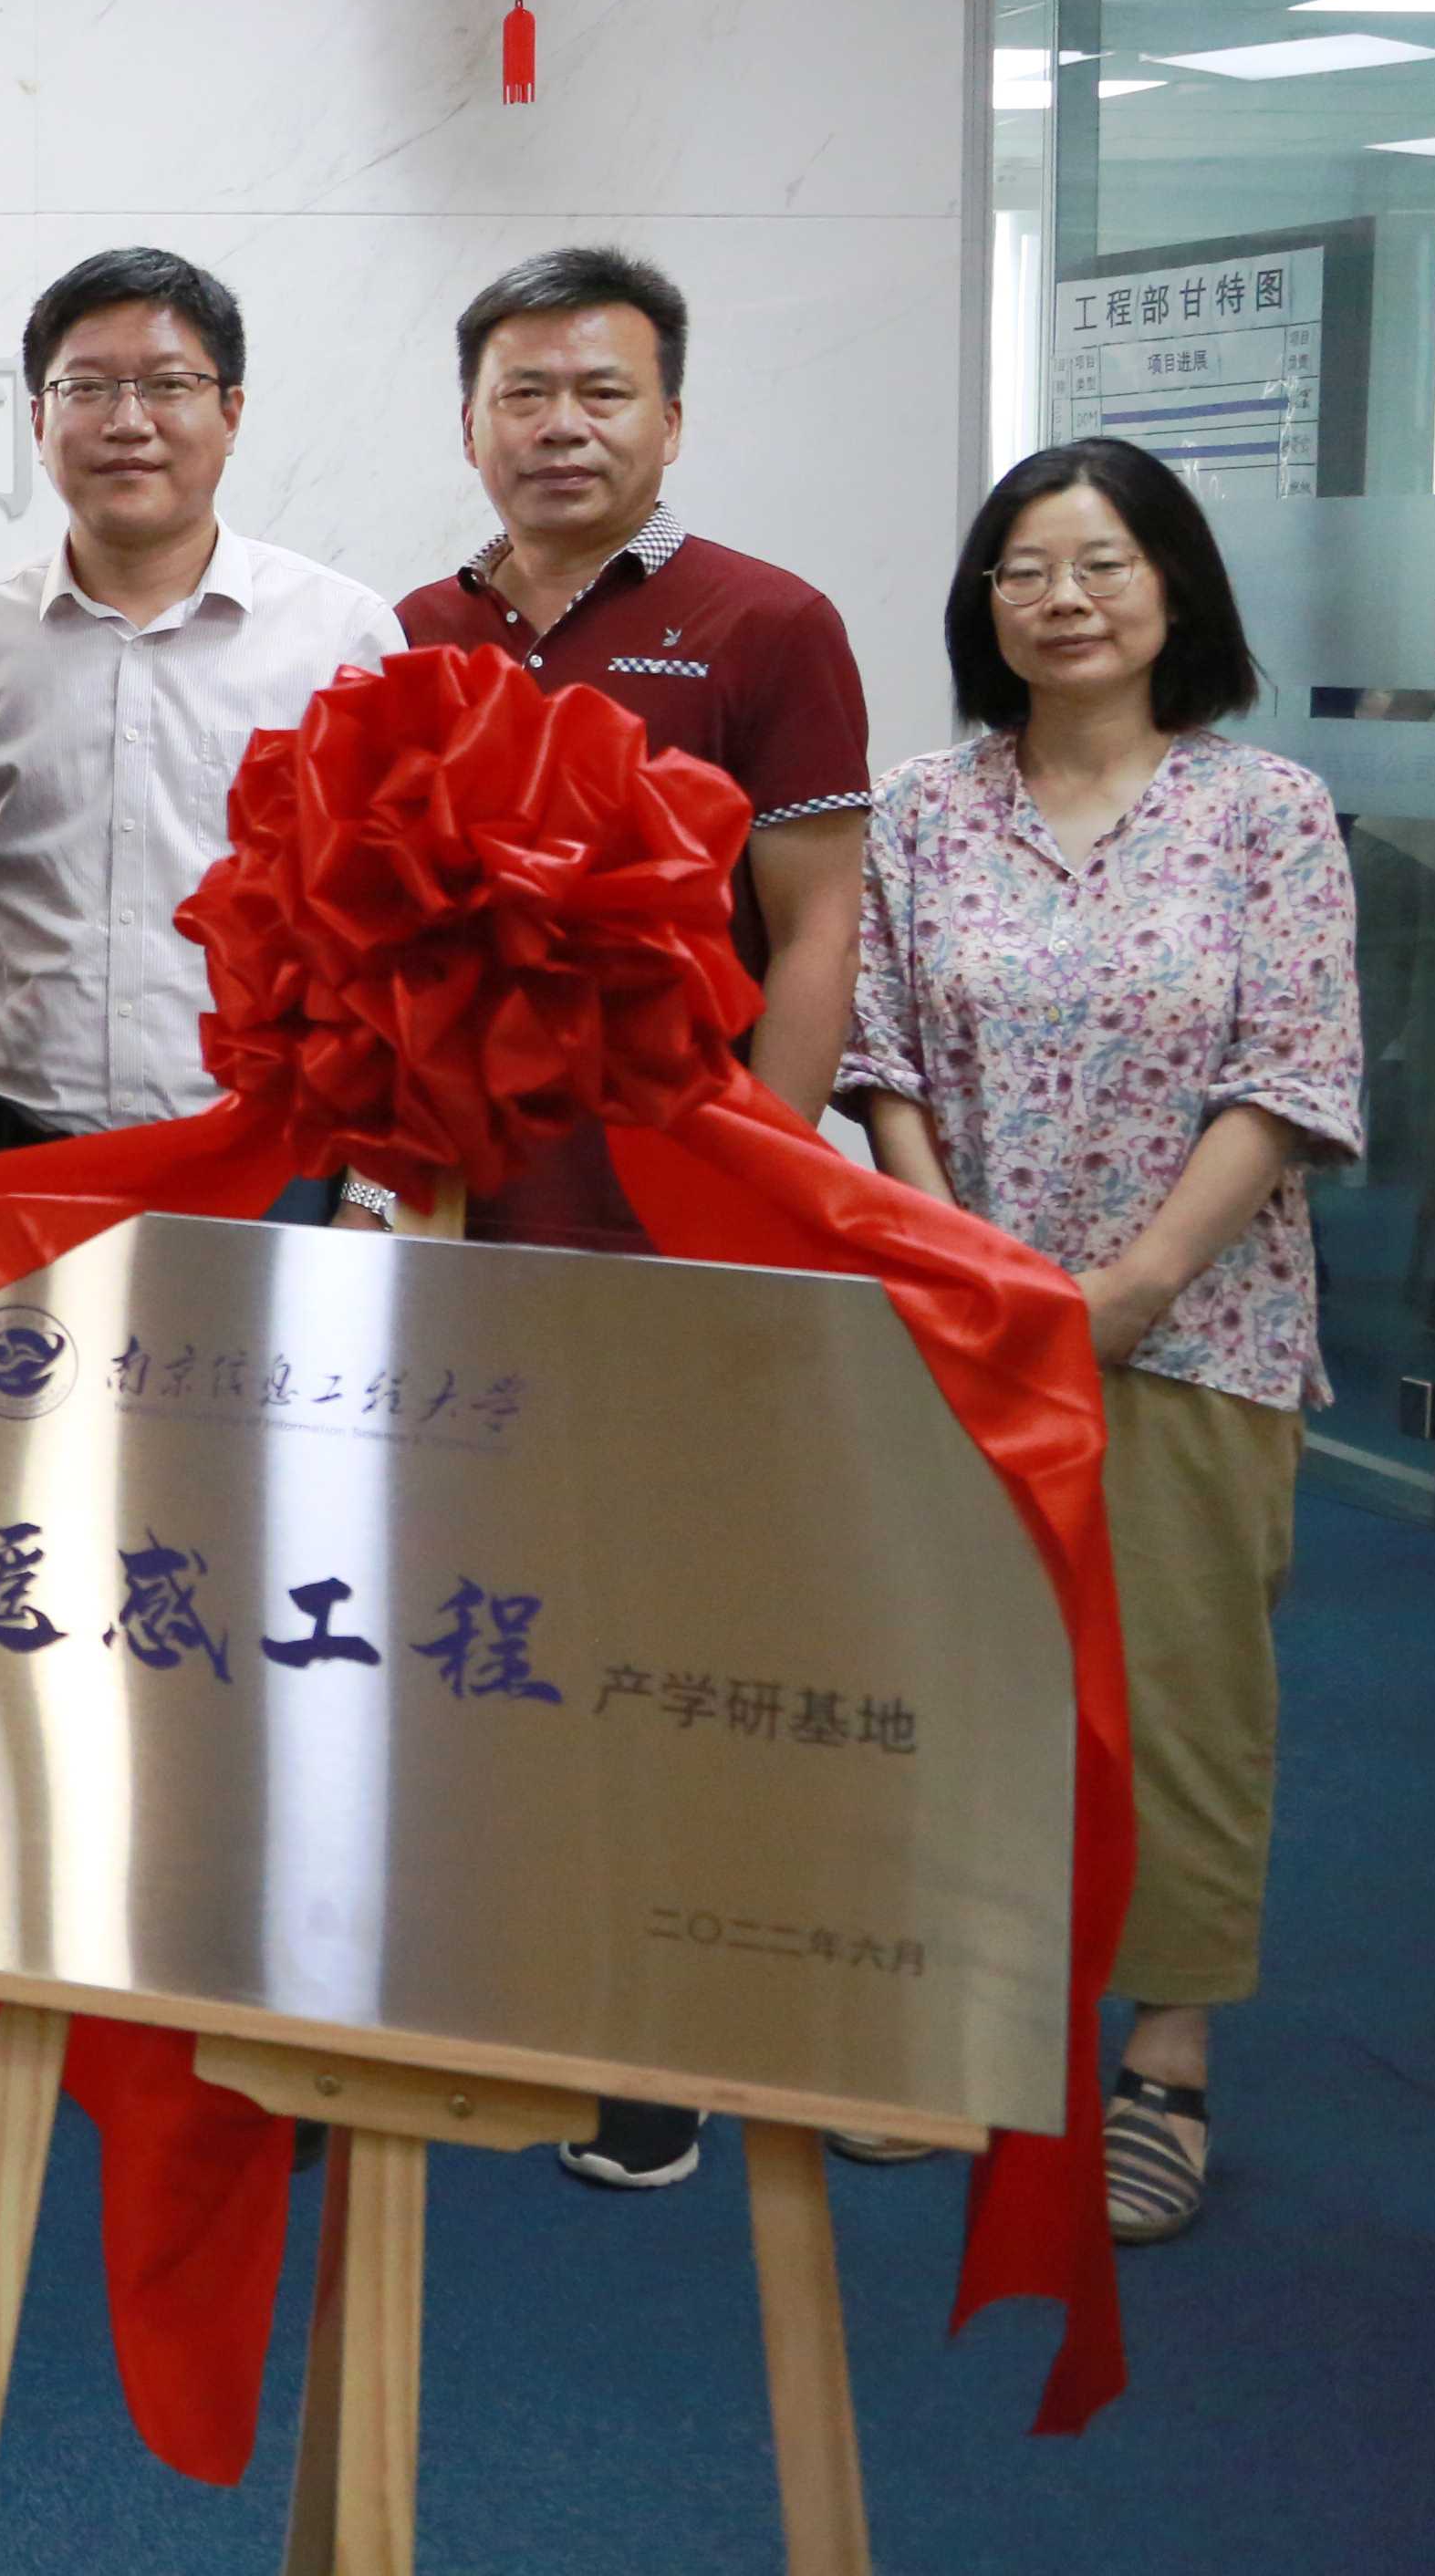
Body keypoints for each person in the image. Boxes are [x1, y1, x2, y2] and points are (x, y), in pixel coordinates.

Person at [843, 436, 1358, 2246]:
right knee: (962, 1675)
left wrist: (1134, 1288)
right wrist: (961, 1261)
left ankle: (1167, 2054)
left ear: (1173, 590)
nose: (1063, 599)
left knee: (1179, 1695)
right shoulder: (922, 809)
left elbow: (1291, 1071)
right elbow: (882, 1057)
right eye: (1025, 570)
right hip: (965, 1331)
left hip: (1199, 1329)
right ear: (984, 605)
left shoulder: (1267, 810)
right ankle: (967, 2014)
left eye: (1104, 563)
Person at [392, 244, 868, 2197]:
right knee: (490, 1612)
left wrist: (763, 1168)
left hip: (678, 1211)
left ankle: (667, 2033)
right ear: (471, 422)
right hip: (473, 1209)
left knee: (675, 1630)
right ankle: (507, 1964)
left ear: (672, 418)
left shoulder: (769, 622)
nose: (562, 428)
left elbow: (820, 923)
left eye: (602, 393)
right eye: (525, 393)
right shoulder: (422, 627)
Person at [0, 246, 398, 1150]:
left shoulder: (341, 637)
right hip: (13, 1154)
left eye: (167, 385)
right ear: (38, 419)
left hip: (268, 1154)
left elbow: (394, 930)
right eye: (87, 388)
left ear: (231, 413)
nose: (128, 422)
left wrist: (371, 1193)